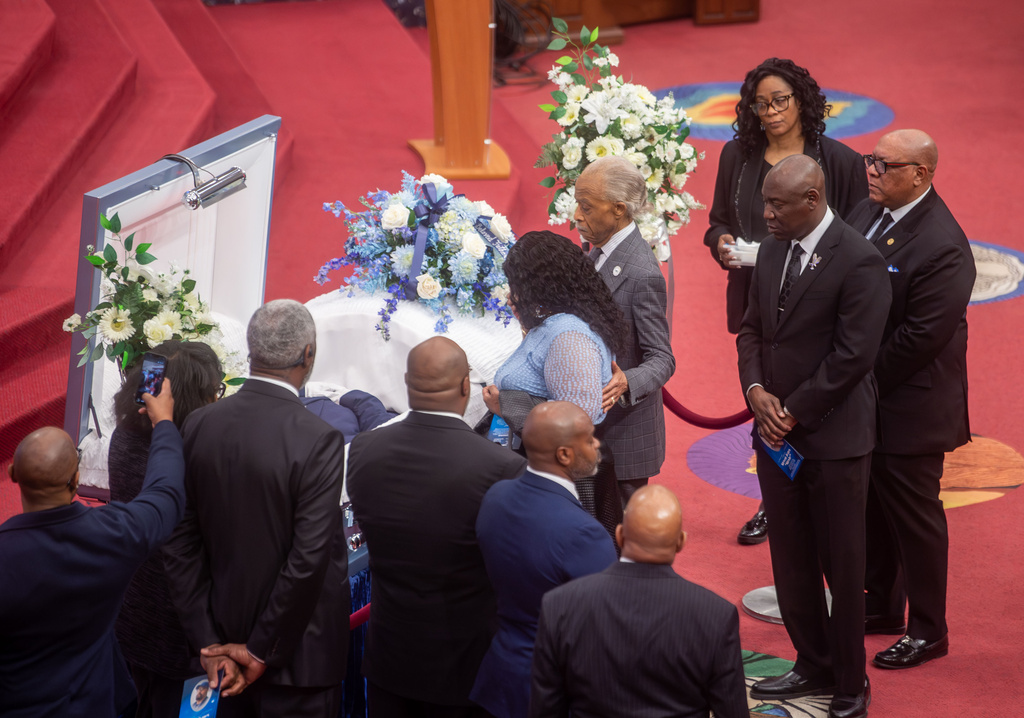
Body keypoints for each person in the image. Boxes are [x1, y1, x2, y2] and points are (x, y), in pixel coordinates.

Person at [737, 155, 890, 718]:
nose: (765, 213)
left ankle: (851, 683)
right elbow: (753, 329)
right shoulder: (774, 246)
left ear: (812, 199)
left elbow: (853, 357)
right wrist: (755, 390)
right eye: (765, 202)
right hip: (777, 437)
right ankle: (811, 662)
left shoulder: (861, 261)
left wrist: (792, 411)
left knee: (843, 568)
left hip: (835, 441)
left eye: (777, 204)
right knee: (791, 557)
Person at [704, 58, 869, 546]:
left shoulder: (839, 160)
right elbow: (716, 221)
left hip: (820, 303)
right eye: (761, 103)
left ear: (802, 101)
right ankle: (772, 499)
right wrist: (723, 243)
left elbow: (857, 239)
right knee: (766, 397)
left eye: (780, 100)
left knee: (813, 398)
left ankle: (817, 497)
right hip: (758, 297)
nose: (771, 111)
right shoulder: (737, 156)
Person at [163, 299, 350, 716]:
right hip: (296, 664)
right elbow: (307, 559)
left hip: (218, 659)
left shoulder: (199, 424)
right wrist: (260, 649)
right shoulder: (318, 438)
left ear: (251, 352)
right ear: (308, 354)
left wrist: (208, 643)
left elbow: (178, 540)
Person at [846, 130, 975, 669]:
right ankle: (882, 608)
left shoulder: (945, 245)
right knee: (873, 509)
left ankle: (929, 629)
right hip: (869, 396)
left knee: (915, 520)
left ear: (920, 175)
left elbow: (919, 339)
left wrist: (850, 377)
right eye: (870, 160)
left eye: (884, 164)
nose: (870, 170)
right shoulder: (867, 210)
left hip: (910, 405)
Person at [347, 336, 527, 717]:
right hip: (468, 671)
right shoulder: (502, 468)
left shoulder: (364, 450)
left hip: (389, 661)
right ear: (466, 387)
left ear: (408, 384)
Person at [0, 381, 185, 718]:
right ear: (76, 479)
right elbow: (166, 493)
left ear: (13, 474)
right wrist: (164, 424)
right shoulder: (112, 535)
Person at [529, 485, 747, 718]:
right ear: (681, 542)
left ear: (620, 535)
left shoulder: (560, 605)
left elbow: (546, 709)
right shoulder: (716, 616)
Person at [471, 402, 617, 718]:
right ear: (564, 455)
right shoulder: (585, 535)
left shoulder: (497, 497)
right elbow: (605, 631)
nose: (597, 446)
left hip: (498, 679)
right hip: (553, 694)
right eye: (590, 439)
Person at [483, 229, 628, 537]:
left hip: (562, 490)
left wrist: (505, 404)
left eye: (517, 283)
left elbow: (576, 424)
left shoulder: (569, 337)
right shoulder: (561, 321)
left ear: (537, 283)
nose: (512, 293)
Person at [108, 341, 224, 718]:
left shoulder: (123, 435)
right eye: (215, 391)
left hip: (130, 604)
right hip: (180, 621)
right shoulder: (192, 456)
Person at [572, 156, 676, 506]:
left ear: (618, 209)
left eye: (586, 206)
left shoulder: (643, 273)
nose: (575, 214)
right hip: (592, 428)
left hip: (624, 439)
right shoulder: (598, 251)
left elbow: (662, 358)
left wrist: (626, 381)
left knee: (624, 545)